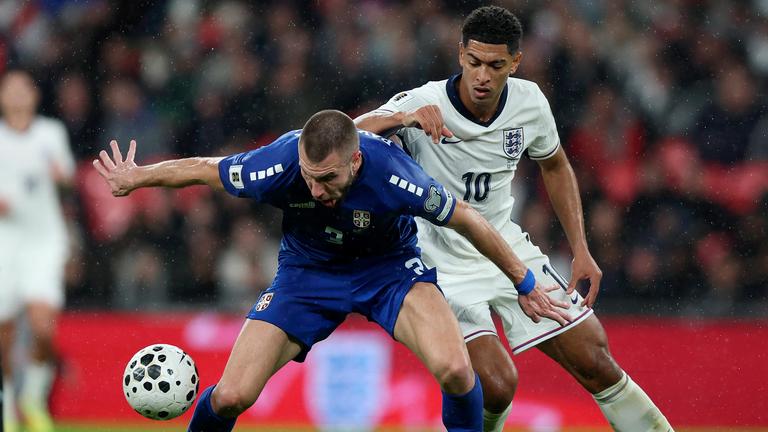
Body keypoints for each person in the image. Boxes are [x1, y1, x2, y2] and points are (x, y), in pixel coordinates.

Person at [93, 110, 572, 432]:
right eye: (308, 176)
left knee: (456, 369)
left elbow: (467, 217)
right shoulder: (279, 163)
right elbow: (205, 168)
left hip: (390, 272)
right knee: (233, 396)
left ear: (355, 160)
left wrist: (523, 280)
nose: (316, 188)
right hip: (307, 275)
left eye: (328, 178)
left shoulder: (392, 174)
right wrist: (139, 177)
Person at [355, 6, 673, 431]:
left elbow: (555, 165)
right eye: (474, 63)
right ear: (460, 54)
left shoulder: (529, 103)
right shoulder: (424, 102)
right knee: (497, 383)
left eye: (495, 65)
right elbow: (348, 135)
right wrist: (400, 118)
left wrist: (580, 247)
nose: (482, 76)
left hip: (504, 247)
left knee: (595, 358)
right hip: (440, 262)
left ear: (515, 63)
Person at [0, 70, 75, 432]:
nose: (16, 96)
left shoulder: (51, 134)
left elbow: (67, 185)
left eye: (22, 89)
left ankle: (32, 397)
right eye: (9, 89)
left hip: (44, 240)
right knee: (4, 331)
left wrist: (62, 179)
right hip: (5, 240)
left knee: (43, 326)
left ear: (33, 95)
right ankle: (7, 405)